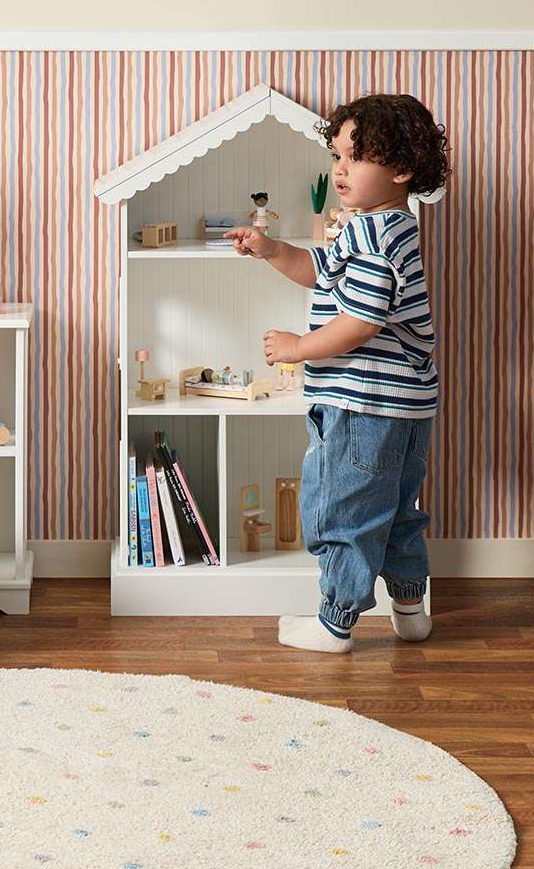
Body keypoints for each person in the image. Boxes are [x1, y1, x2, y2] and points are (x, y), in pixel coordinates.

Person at [227, 93, 449, 653]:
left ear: (401, 169)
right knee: (398, 511)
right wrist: (274, 249)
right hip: (404, 405)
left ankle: (336, 622)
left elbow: (360, 322)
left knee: (343, 510)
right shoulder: (381, 227)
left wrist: (300, 347)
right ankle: (409, 606)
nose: (340, 169)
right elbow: (322, 271)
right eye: (337, 155)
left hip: (363, 404)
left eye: (357, 157)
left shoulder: (375, 235)